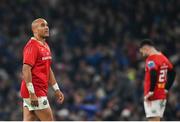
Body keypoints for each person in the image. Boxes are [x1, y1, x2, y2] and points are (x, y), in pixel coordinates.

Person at [20, 18, 64, 121]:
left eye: (47, 25)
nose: (46, 27)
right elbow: (26, 69)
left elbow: (48, 68)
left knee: (29, 119)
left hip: (36, 92)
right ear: (35, 30)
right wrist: (32, 93)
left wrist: (56, 89)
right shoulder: (32, 46)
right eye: (42, 25)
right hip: (35, 92)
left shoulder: (45, 46)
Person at [139, 39, 176, 121]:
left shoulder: (151, 59)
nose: (142, 54)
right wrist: (166, 89)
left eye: (142, 52)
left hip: (153, 96)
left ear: (146, 48)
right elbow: (173, 73)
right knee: (156, 120)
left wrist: (151, 92)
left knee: (153, 120)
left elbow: (153, 73)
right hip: (161, 95)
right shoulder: (163, 58)